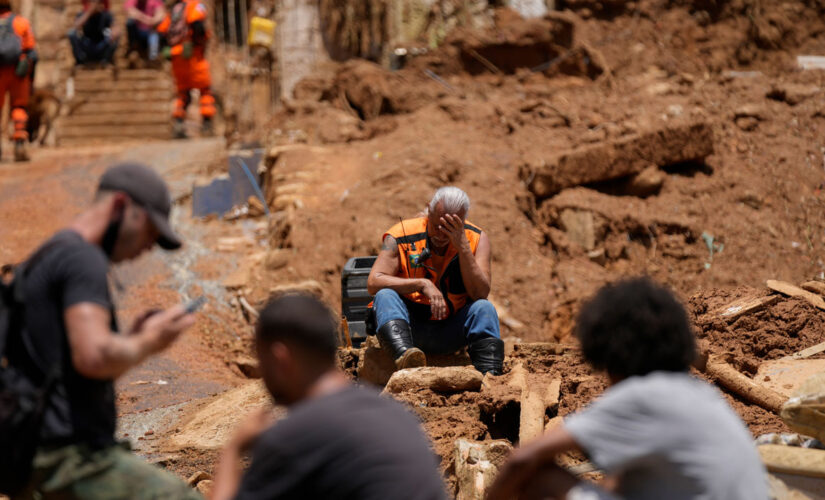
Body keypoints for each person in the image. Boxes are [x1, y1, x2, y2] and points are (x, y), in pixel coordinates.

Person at [7, 163, 201, 499]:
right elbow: (94, 357)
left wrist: (129, 339)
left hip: (36, 449)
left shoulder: (54, 252)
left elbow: (63, 358)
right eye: (150, 232)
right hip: (66, 454)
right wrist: (151, 341)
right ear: (120, 206)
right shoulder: (84, 259)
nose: (149, 247)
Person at [486, 277, 769, 500]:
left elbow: (521, 460)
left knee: (542, 479)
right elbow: (620, 482)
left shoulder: (642, 395)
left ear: (609, 356)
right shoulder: (701, 394)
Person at [211, 294, 447, 500]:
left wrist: (233, 449)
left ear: (280, 359)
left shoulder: (294, 436)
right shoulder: (397, 415)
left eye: (261, 360)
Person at [366, 186, 504, 374]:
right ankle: (406, 361)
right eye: (436, 226)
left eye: (448, 228)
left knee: (484, 308)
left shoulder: (477, 239)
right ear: (428, 211)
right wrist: (421, 284)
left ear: (462, 221)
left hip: (451, 330)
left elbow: (480, 293)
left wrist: (463, 248)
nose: (440, 235)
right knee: (385, 295)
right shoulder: (401, 235)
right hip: (409, 327)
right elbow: (374, 281)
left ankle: (490, 376)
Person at [157, 0, 216, 138]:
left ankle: (178, 124)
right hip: (193, 56)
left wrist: (168, 52)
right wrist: (198, 43)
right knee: (205, 90)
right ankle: (207, 125)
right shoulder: (194, 5)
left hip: (177, 58)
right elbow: (197, 25)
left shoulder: (175, 9)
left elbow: (161, 33)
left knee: (182, 93)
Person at [0, 0, 36, 161]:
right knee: (19, 106)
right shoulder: (21, 22)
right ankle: (20, 141)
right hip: (17, 71)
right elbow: (31, 50)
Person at [68, 0, 119, 68]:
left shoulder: (106, 15)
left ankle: (105, 61)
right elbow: (76, 26)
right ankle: (80, 61)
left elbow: (115, 27)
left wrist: (114, 33)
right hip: (87, 46)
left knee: (115, 36)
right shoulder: (83, 14)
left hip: (101, 46)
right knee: (72, 33)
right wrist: (89, 12)